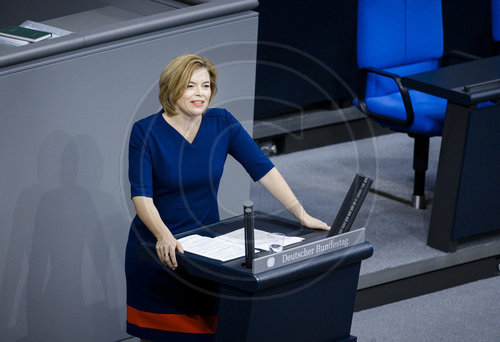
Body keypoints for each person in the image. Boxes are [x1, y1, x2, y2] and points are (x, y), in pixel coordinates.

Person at [125, 54, 329, 342]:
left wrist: (300, 213)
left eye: (205, 86)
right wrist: (163, 235)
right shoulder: (145, 132)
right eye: (191, 86)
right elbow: (141, 196)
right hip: (160, 252)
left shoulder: (222, 123)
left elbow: (263, 169)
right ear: (172, 89)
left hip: (204, 253)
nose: (200, 94)